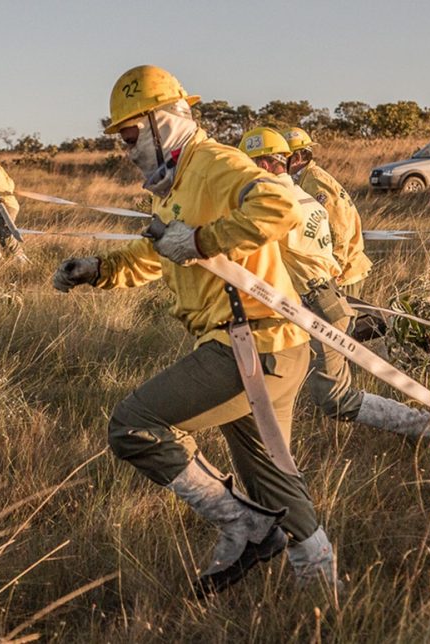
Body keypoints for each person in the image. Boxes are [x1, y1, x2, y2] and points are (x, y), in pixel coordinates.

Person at [52, 65, 338, 596]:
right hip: (267, 346)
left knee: (132, 426)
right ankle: (328, 601)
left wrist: (206, 240)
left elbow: (279, 204)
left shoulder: (215, 163)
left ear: (162, 121)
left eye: (132, 134)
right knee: (273, 483)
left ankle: (244, 526)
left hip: (250, 347)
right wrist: (100, 269)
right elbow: (160, 251)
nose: (126, 148)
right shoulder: (175, 183)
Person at [239, 128, 430, 440]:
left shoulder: (279, 203)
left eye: (245, 168)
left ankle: (424, 426)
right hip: (312, 300)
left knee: (335, 398)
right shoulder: (301, 196)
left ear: (264, 166)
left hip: (318, 305)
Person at [281, 128, 371, 298]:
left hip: (344, 274)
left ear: (297, 158)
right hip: (338, 271)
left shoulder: (315, 183)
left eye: (282, 157)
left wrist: (333, 272)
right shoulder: (306, 179)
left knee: (338, 323)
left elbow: (339, 229)